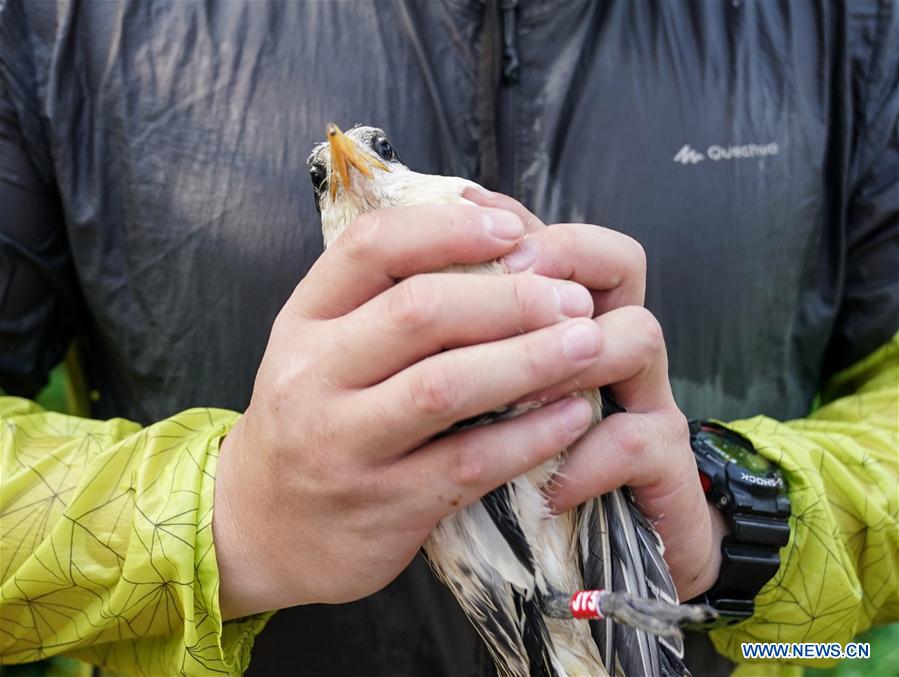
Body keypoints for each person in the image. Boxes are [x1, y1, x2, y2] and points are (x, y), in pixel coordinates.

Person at [0, 1, 896, 675]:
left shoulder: (851, 20)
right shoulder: (53, 21)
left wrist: (744, 527)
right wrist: (224, 516)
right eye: (323, 173)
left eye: (377, 148)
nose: (350, 160)